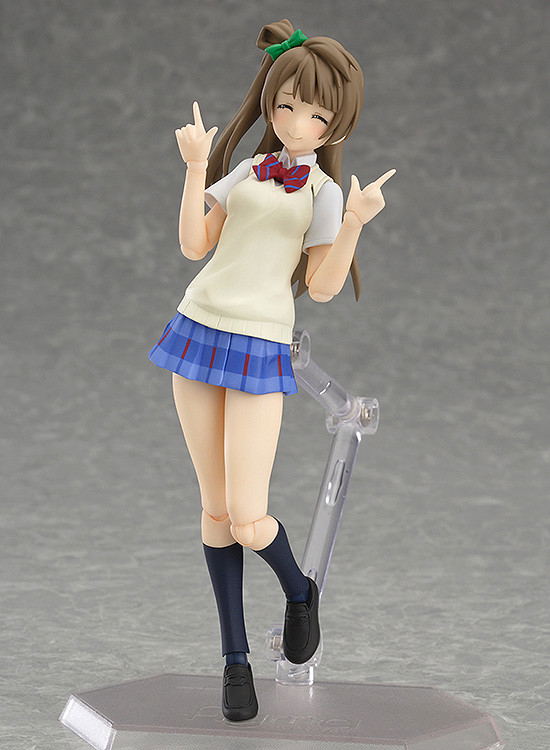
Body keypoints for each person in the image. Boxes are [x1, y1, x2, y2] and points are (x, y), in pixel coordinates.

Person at [147, 18, 395, 722]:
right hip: (197, 329)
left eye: (315, 115)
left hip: (259, 343)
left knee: (249, 517)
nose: (296, 122)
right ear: (270, 101)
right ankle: (235, 659)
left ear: (334, 125)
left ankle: (297, 588)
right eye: (287, 106)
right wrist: (195, 167)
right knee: (214, 512)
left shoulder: (322, 192)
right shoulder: (250, 171)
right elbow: (194, 244)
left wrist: (354, 222)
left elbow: (321, 287)